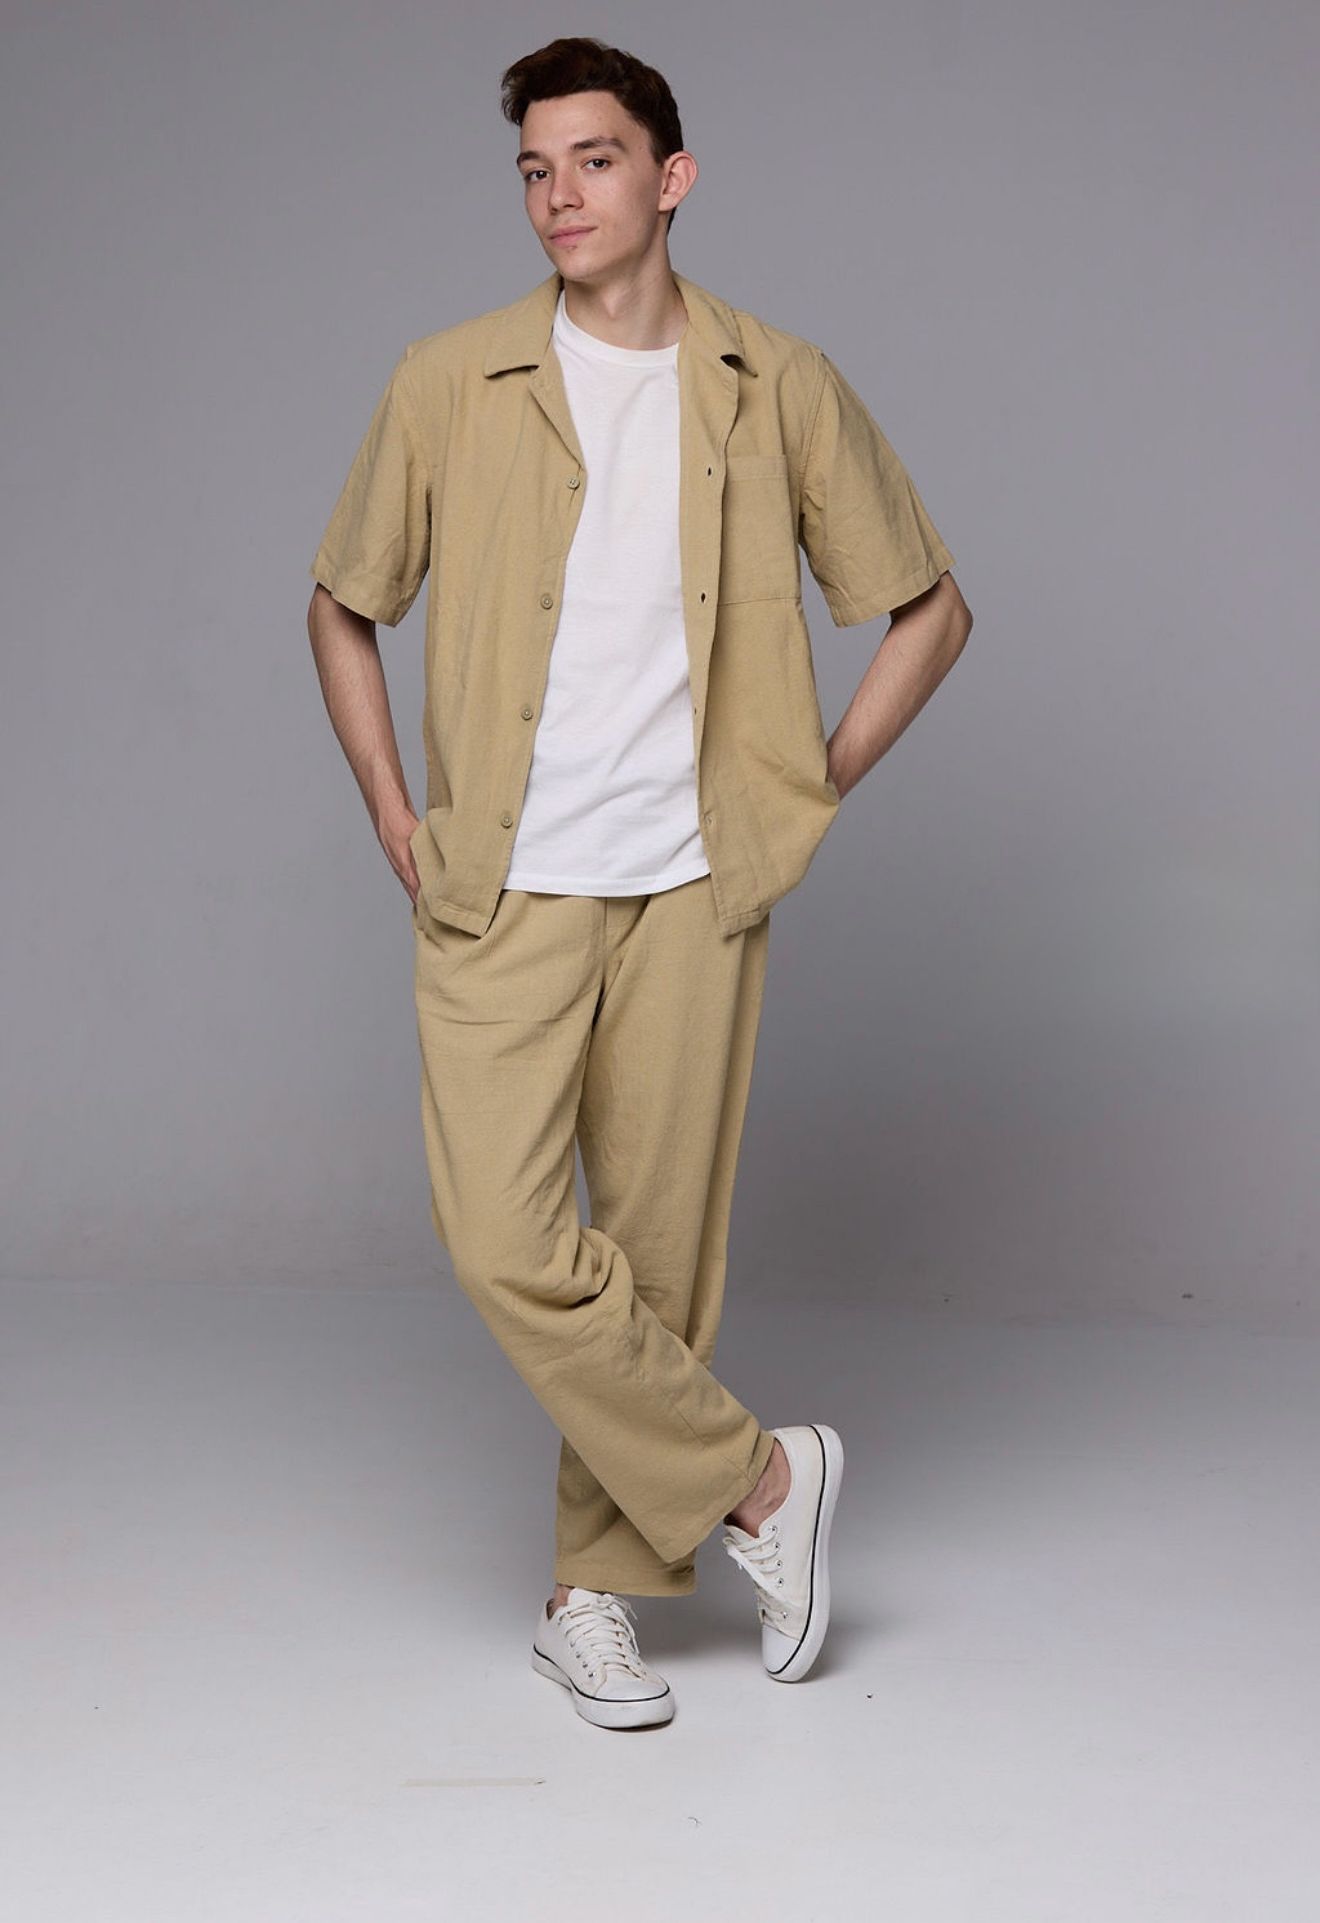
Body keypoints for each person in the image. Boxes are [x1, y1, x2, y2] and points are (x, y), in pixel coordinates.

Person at [305, 35, 972, 1731]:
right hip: (501, 885)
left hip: (691, 888)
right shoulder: (450, 378)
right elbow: (343, 601)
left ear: (670, 178)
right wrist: (393, 809)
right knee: (506, 1240)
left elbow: (928, 606)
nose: (559, 195)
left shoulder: (775, 381)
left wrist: (803, 787)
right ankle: (763, 1482)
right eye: (535, 169)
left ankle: (587, 1601)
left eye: (593, 160)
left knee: (659, 1260)